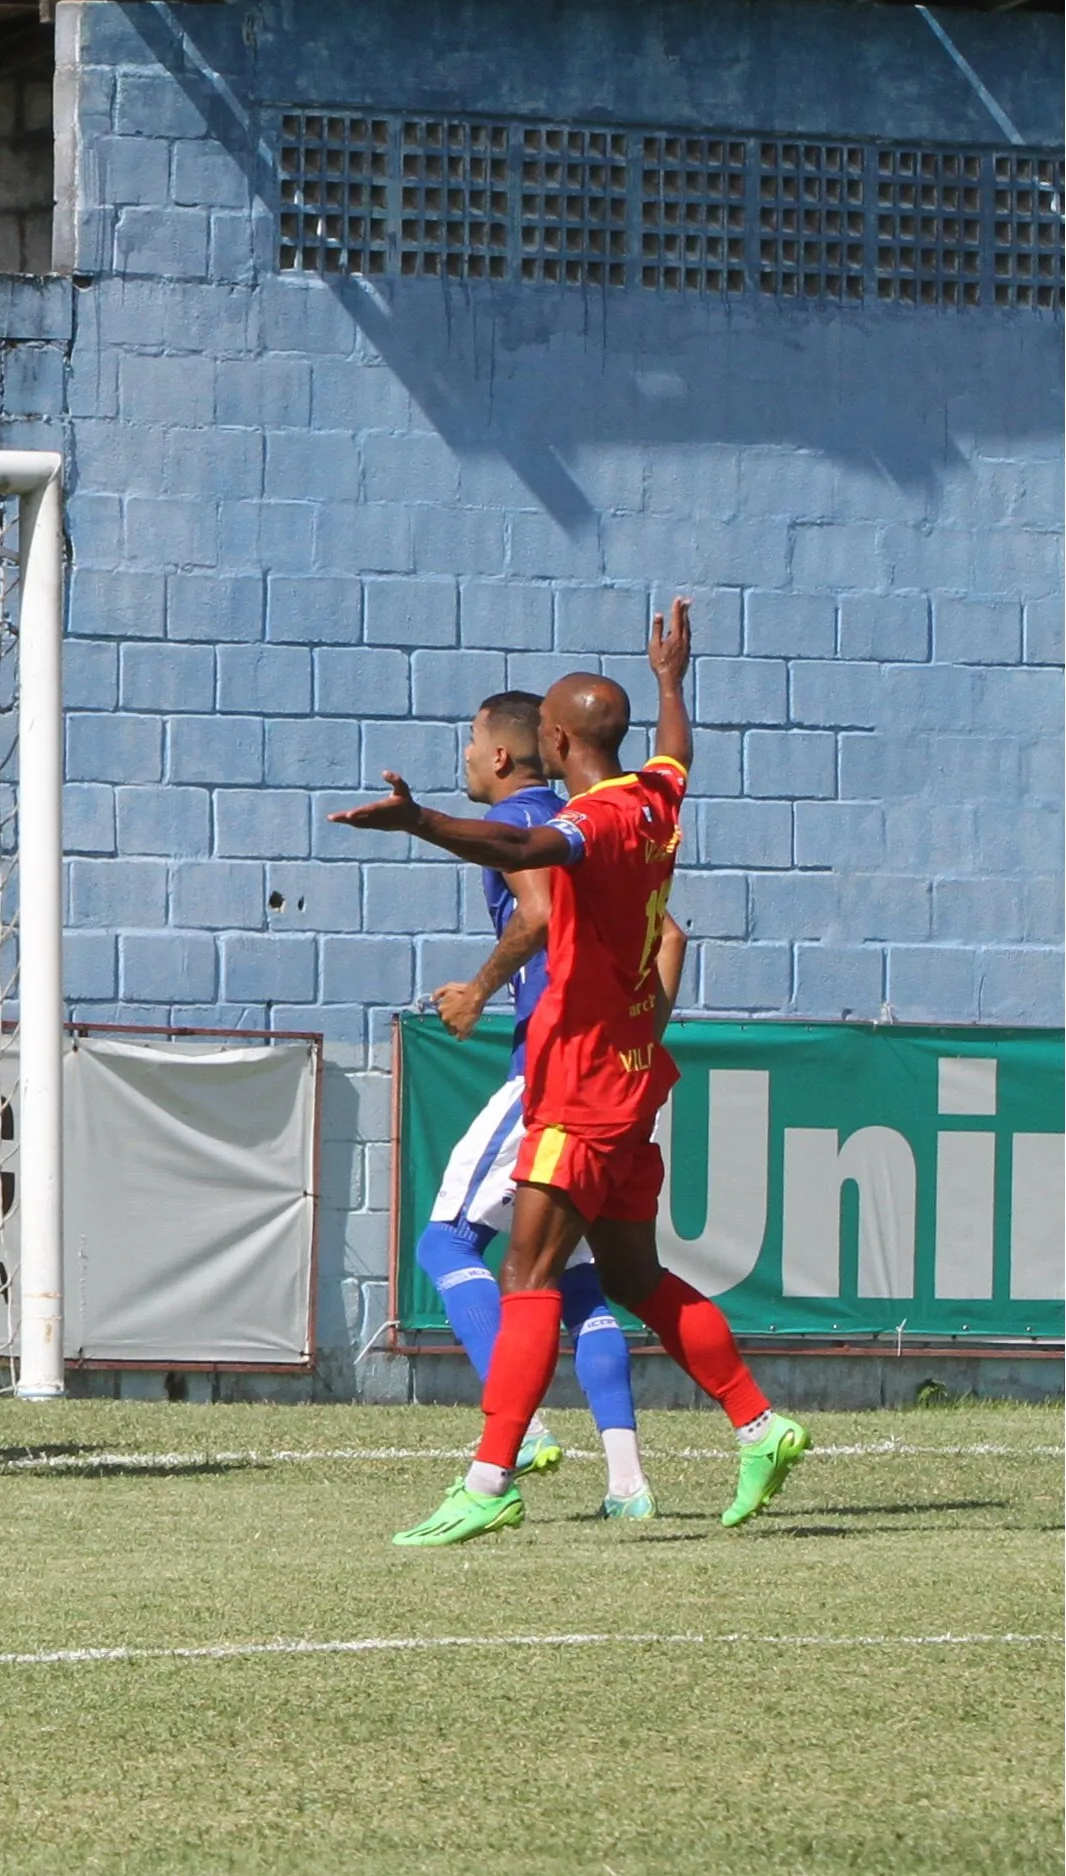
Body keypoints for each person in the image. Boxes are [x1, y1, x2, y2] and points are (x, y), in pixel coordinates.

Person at [335, 599, 808, 1544]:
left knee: (526, 1273)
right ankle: (762, 1425)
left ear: (552, 739)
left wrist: (415, 820)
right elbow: (677, 751)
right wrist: (672, 678)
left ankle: (489, 1480)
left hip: (583, 1085)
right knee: (633, 1277)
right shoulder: (656, 796)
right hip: (635, 1077)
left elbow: (521, 852)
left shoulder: (592, 822)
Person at [413, 690, 656, 1518]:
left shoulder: (524, 817)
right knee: (581, 1280)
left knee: (445, 1241)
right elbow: (674, 938)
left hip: (553, 1070)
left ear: (506, 755)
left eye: (473, 742)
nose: (468, 756)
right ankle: (627, 1483)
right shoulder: (590, 814)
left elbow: (542, 912)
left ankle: (520, 1439)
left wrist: (479, 989)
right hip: (609, 1069)